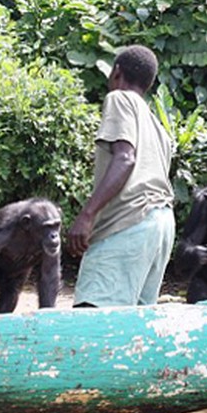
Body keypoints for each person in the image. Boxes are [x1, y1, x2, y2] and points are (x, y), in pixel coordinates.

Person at [67, 45, 175, 307]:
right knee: (132, 327)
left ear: (117, 73)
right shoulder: (159, 127)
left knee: (94, 317)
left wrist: (87, 214)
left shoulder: (119, 99)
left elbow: (125, 158)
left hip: (130, 221)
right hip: (162, 224)